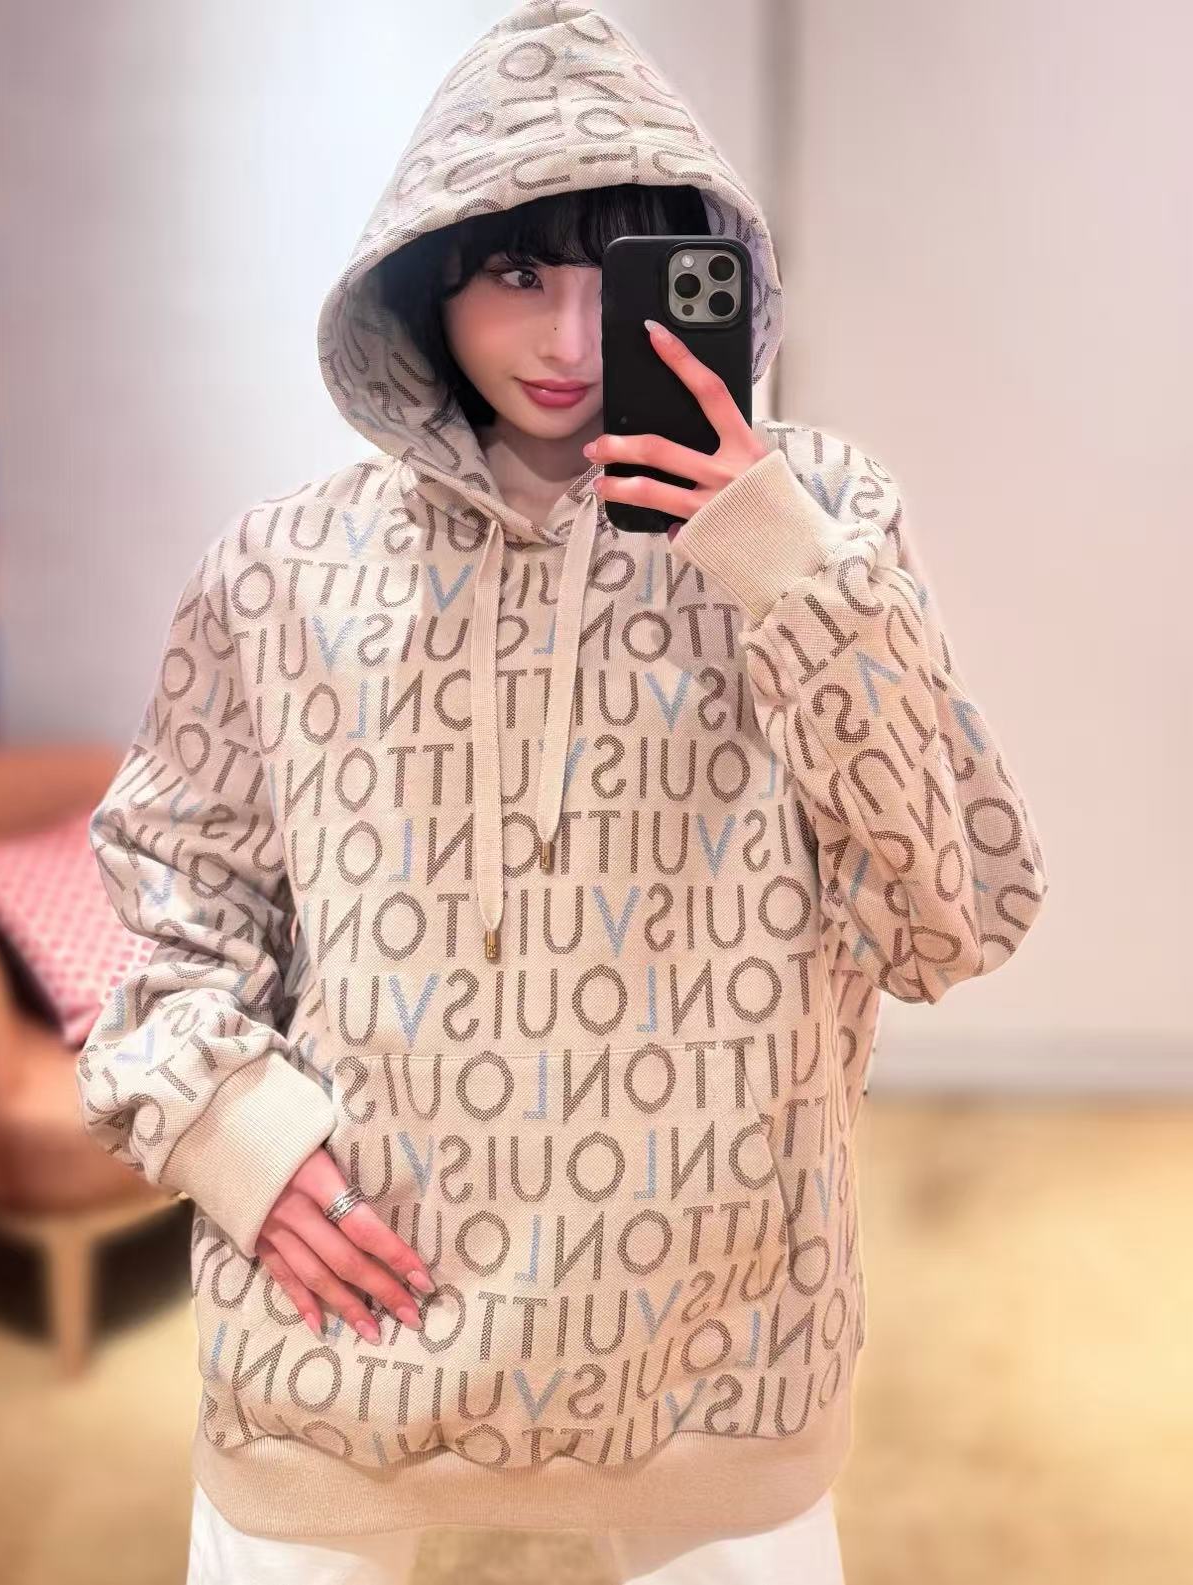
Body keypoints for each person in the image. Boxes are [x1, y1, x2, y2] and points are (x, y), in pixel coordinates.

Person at [76, 3, 1050, 1581]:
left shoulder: (826, 516)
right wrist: (230, 1125)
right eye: (519, 273)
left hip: (716, 1351)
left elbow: (950, 913)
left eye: (623, 274)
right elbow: (177, 902)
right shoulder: (281, 566)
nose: (571, 341)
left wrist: (776, 559)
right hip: (340, 1331)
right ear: (427, 278)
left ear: (708, 278)